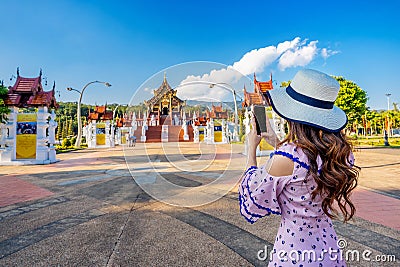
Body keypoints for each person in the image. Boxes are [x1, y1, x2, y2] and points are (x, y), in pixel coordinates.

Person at [239, 69, 359, 266]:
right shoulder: (341, 154)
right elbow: (304, 166)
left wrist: (251, 148)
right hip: (327, 246)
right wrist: (276, 142)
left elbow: (251, 200)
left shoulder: (288, 157)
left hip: (294, 250)